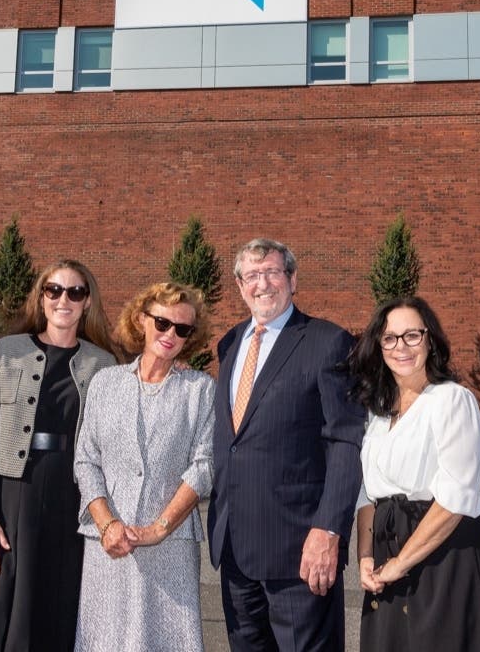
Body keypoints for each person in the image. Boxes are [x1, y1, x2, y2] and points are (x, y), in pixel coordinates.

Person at [208, 238, 365, 652]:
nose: (264, 284)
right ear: (240, 286)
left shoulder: (327, 342)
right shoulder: (230, 343)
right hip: (236, 551)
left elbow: (346, 441)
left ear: (293, 279)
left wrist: (329, 529)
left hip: (300, 553)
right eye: (252, 276)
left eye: (273, 272)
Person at [0, 260, 118, 652]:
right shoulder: (3, 353)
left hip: (71, 496)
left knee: (58, 598)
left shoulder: (105, 364)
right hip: (10, 494)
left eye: (75, 292)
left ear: (87, 301)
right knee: (1, 599)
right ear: (41, 298)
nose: (64, 299)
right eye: (54, 290)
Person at [73, 281, 216, 652]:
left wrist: (158, 529)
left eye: (182, 329)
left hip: (170, 547)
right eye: (163, 323)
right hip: (108, 547)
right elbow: (86, 459)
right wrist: (108, 525)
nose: (170, 335)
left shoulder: (200, 390)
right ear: (141, 319)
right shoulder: (106, 382)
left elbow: (203, 467)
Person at [350, 296, 480, 651]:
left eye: (412, 335)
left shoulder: (452, 400)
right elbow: (369, 494)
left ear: (430, 340)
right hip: (388, 553)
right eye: (390, 338)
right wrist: (366, 558)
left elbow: (454, 500)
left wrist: (401, 562)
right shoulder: (378, 411)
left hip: (443, 553)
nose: (401, 347)